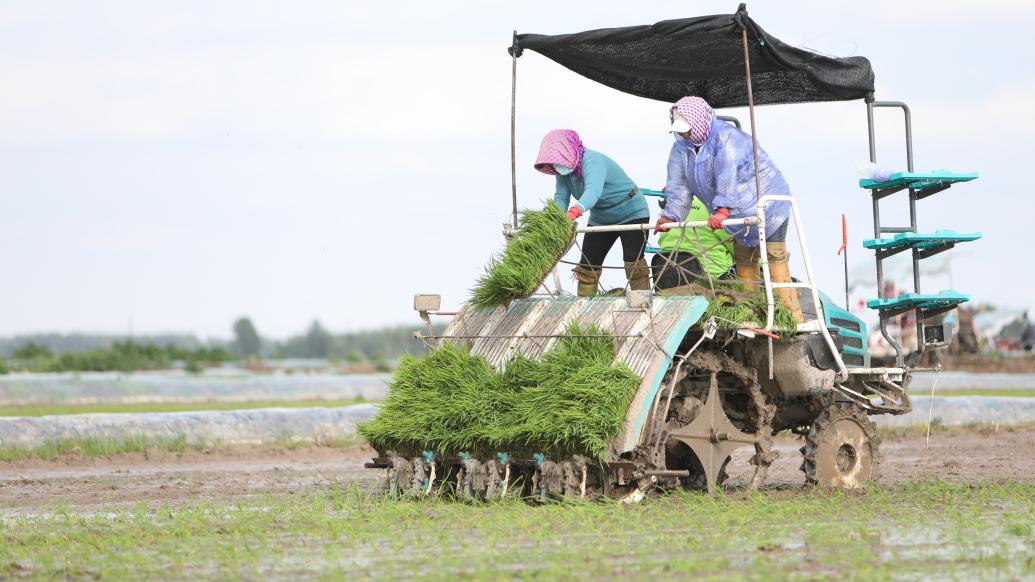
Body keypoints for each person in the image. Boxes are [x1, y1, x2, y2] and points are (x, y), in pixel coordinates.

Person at [653, 97, 803, 322]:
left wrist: (722, 208)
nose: (684, 135)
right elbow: (678, 185)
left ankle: (791, 319)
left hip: (767, 207)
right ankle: (751, 316)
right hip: (737, 217)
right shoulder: (681, 150)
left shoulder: (727, 139)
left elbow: (728, 174)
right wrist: (669, 216)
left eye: (688, 130)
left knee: (774, 258)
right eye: (681, 131)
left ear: (699, 121)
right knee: (744, 261)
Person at [535, 129, 651, 297]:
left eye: (559, 160)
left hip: (631, 211)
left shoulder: (592, 161)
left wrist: (575, 211)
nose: (557, 166)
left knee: (633, 260)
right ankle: (584, 306)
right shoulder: (562, 171)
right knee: (588, 265)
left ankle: (643, 302)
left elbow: (593, 191)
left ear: (569, 151)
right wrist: (557, 220)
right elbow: (561, 196)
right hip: (601, 217)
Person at [652, 194, 734, 291]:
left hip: (668, 281)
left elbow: (663, 242)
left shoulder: (670, 211)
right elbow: (738, 247)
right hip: (711, 280)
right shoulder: (715, 209)